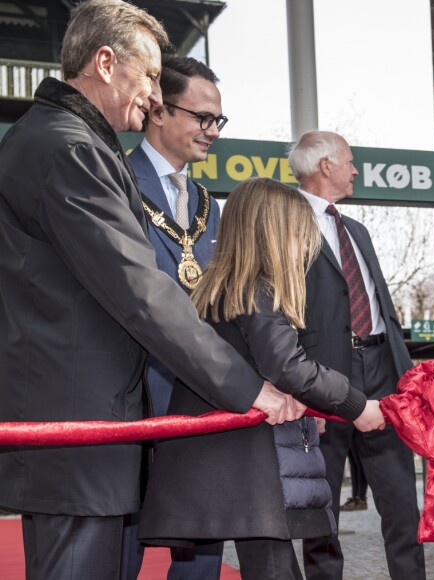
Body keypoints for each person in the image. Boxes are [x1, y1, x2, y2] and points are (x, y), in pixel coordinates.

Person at [0, 2, 296, 578]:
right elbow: (139, 290)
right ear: (106, 62)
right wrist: (245, 386)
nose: (158, 96)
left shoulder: (70, 141)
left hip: (88, 426)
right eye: (153, 75)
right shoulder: (70, 148)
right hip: (79, 431)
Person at [137, 177, 386, 579]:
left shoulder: (218, 291)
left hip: (223, 462)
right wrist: (355, 404)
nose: (308, 247)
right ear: (276, 234)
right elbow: (287, 366)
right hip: (252, 470)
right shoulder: (260, 290)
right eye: (301, 235)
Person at [287, 131, 426, 580]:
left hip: (384, 375)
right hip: (324, 382)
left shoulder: (357, 230)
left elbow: (380, 304)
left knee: (403, 502)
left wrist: (406, 374)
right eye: (349, 161)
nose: (355, 170)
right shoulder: (285, 225)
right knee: (322, 506)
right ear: (325, 165)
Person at [122, 55, 225, 579]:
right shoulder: (116, 181)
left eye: (217, 121)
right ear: (159, 110)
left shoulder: (210, 204)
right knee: (122, 548)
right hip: (131, 398)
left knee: (201, 550)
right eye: (202, 118)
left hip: (199, 401)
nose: (212, 132)